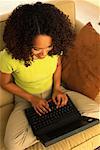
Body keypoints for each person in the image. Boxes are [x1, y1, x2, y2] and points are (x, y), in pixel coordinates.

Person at [0, 2, 99, 150]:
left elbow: (57, 65)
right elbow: (5, 83)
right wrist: (32, 99)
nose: (44, 54)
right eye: (36, 49)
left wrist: (57, 89)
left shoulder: (55, 49)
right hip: (25, 100)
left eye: (49, 47)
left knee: (98, 112)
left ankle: (53, 123)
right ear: (22, 43)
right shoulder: (8, 57)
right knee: (13, 145)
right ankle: (56, 123)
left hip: (55, 92)